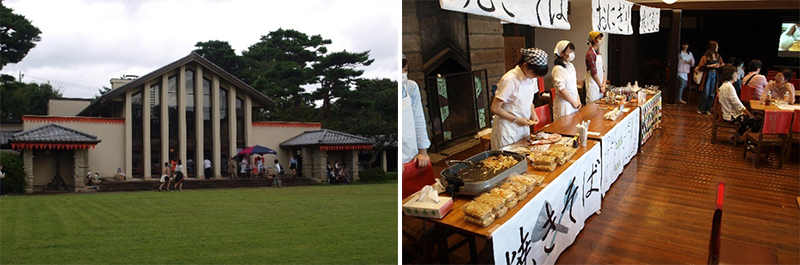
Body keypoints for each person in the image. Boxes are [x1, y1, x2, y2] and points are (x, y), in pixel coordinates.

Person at [490, 47, 548, 150]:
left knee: (523, 158)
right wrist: (516, 119)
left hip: (523, 127)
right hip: (508, 130)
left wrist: (533, 113)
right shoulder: (510, 79)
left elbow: (529, 100)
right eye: (534, 74)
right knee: (507, 161)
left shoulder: (531, 78)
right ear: (525, 65)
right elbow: (495, 108)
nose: (535, 78)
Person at [401, 53, 431, 169]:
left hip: (413, 155)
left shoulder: (411, 87)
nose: (404, 73)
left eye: (405, 70)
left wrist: (423, 152)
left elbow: (418, 118)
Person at [718, 65, 760, 143]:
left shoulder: (726, 85)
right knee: (755, 120)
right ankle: (746, 140)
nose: (737, 75)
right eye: (736, 73)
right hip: (730, 116)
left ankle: (738, 136)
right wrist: (748, 113)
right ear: (730, 74)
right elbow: (737, 104)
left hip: (728, 114)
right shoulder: (729, 87)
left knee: (751, 119)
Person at [552, 40, 581, 120]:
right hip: (564, 104)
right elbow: (561, 89)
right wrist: (573, 102)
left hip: (573, 102)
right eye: (569, 51)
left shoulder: (571, 66)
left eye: (572, 51)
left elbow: (574, 85)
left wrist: (577, 100)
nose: (572, 53)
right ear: (561, 53)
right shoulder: (558, 68)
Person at [696, 41, 724, 115]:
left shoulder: (718, 56)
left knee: (712, 93)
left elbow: (721, 63)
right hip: (707, 75)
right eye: (717, 46)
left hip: (715, 75)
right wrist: (712, 66)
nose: (718, 47)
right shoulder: (706, 56)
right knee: (705, 92)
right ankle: (701, 108)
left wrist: (720, 65)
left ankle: (707, 109)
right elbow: (700, 67)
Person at [584, 31, 606, 104]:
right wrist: (600, 86)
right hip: (593, 85)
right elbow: (594, 72)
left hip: (600, 85)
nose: (601, 40)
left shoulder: (599, 54)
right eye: (599, 38)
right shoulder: (590, 54)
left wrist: (604, 84)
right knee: (592, 108)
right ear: (594, 40)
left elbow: (603, 70)